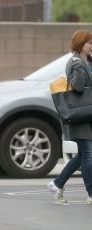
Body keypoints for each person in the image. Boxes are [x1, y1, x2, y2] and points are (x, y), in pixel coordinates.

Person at [47, 30, 92, 204]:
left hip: (87, 115)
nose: (91, 46)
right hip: (79, 114)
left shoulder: (87, 61)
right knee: (88, 154)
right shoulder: (76, 62)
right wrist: (81, 67)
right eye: (89, 43)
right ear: (81, 44)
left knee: (82, 156)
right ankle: (90, 193)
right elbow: (78, 87)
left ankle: (56, 184)